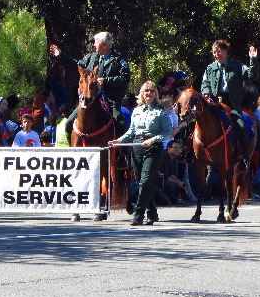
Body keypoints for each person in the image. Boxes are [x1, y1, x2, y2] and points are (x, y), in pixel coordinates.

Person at [110, 81, 172, 226]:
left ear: (155, 93)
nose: (148, 93)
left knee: (145, 181)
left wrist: (153, 139)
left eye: (151, 91)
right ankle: (152, 213)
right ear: (142, 94)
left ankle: (138, 215)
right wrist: (118, 141)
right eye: (146, 91)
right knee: (140, 181)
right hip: (137, 146)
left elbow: (167, 132)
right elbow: (131, 131)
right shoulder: (137, 111)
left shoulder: (160, 111)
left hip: (153, 148)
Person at [50, 31, 131, 137]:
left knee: (120, 124)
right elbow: (76, 65)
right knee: (69, 122)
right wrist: (61, 55)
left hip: (110, 101)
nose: (94, 45)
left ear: (104, 44)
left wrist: (106, 81)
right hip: (90, 99)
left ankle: (123, 152)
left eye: (96, 42)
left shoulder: (119, 61)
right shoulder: (91, 57)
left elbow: (125, 78)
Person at [200, 39, 259, 165]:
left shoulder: (236, 65)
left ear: (226, 51)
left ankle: (244, 157)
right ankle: (189, 152)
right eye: (214, 52)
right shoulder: (210, 68)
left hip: (232, 104)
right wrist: (206, 92)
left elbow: (252, 76)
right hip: (213, 103)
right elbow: (205, 83)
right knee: (196, 120)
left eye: (219, 51)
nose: (216, 54)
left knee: (241, 126)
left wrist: (253, 60)